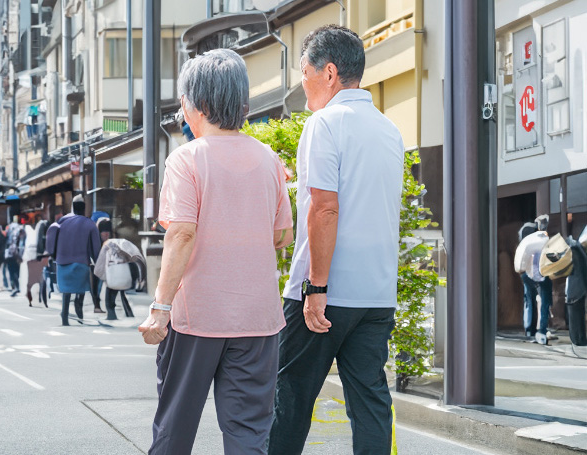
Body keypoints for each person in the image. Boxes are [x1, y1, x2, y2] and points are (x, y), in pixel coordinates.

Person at [138, 48, 293, 455]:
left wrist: (160, 307)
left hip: (197, 319)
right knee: (247, 434)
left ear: (200, 104)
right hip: (258, 321)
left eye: (184, 100)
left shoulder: (186, 159)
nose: (183, 108)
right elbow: (282, 237)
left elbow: (181, 235)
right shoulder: (269, 159)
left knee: (175, 427)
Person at [268, 26, 404, 455]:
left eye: (304, 71)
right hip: (377, 294)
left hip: (326, 292)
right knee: (370, 403)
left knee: (290, 398)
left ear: (328, 73)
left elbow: (325, 208)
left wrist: (316, 287)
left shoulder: (324, 123)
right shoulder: (389, 130)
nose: (301, 81)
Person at [45, 195, 102, 326]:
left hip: (62, 261)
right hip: (81, 261)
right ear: (84, 208)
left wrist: (53, 255)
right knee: (80, 289)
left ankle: (64, 314)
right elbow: (96, 247)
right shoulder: (90, 224)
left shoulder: (61, 221)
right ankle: (79, 313)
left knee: (66, 290)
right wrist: (97, 260)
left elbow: (52, 236)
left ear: (73, 208)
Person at [514, 215, 553, 344]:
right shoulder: (546, 239)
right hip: (542, 275)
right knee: (544, 303)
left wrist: (522, 270)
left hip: (527, 274)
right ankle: (541, 330)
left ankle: (529, 330)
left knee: (529, 302)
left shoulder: (529, 239)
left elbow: (523, 256)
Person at [94, 238, 144, 320]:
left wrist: (103, 278)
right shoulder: (126, 246)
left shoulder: (106, 246)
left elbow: (99, 266)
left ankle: (111, 315)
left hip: (112, 275)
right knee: (123, 295)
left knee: (109, 296)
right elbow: (137, 260)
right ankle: (129, 314)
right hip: (125, 276)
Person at [23, 214, 49, 307]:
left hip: (31, 257)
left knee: (31, 280)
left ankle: (32, 299)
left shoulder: (30, 228)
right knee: (40, 279)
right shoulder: (43, 226)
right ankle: (38, 299)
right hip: (37, 257)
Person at [5, 215, 23, 297]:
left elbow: (6, 239)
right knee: (17, 270)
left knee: (12, 271)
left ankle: (15, 287)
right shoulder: (21, 228)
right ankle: (17, 286)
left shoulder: (9, 228)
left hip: (10, 252)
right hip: (17, 252)